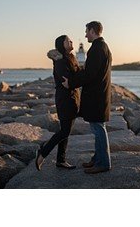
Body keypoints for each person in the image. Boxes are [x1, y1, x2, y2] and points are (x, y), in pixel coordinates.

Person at [62, 21, 113, 174]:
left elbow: (89, 74)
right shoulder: (102, 47)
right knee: (98, 128)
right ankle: (97, 159)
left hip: (96, 96)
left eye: (86, 31)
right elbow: (91, 72)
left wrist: (71, 83)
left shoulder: (97, 49)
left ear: (92, 30)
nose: (85, 35)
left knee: (98, 129)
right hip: (99, 94)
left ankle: (103, 163)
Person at [35, 35, 81, 171]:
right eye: (68, 41)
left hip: (73, 98)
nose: (71, 41)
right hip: (65, 99)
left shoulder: (71, 58)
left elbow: (75, 77)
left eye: (71, 40)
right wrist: (78, 79)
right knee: (65, 131)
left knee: (66, 130)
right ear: (62, 44)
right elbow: (67, 81)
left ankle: (61, 160)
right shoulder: (60, 61)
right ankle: (43, 152)